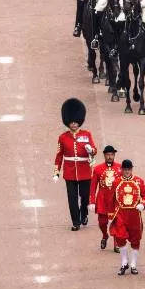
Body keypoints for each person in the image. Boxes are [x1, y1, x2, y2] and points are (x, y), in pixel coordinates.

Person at [54, 97, 96, 230]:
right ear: (67, 122)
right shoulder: (63, 137)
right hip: (70, 172)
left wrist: (91, 150)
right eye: (71, 122)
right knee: (72, 199)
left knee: (84, 197)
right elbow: (59, 155)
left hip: (84, 170)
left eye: (75, 121)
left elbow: (94, 150)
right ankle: (76, 222)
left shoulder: (87, 134)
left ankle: (84, 214)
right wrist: (56, 171)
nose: (73, 124)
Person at [110, 159, 145, 275]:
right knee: (120, 237)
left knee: (136, 239)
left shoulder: (138, 181)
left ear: (131, 169)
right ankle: (124, 262)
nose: (127, 172)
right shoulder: (116, 182)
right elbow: (111, 199)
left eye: (129, 169)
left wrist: (143, 204)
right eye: (125, 169)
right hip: (121, 214)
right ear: (121, 170)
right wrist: (111, 215)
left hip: (135, 215)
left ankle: (133, 264)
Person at [90, 145, 121, 250]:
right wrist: (92, 202)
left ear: (114, 155)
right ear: (104, 155)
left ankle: (116, 243)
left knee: (117, 222)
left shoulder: (120, 168)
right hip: (102, 200)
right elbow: (93, 187)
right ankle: (105, 235)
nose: (110, 157)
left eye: (112, 154)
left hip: (115, 200)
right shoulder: (98, 169)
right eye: (108, 155)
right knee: (102, 222)